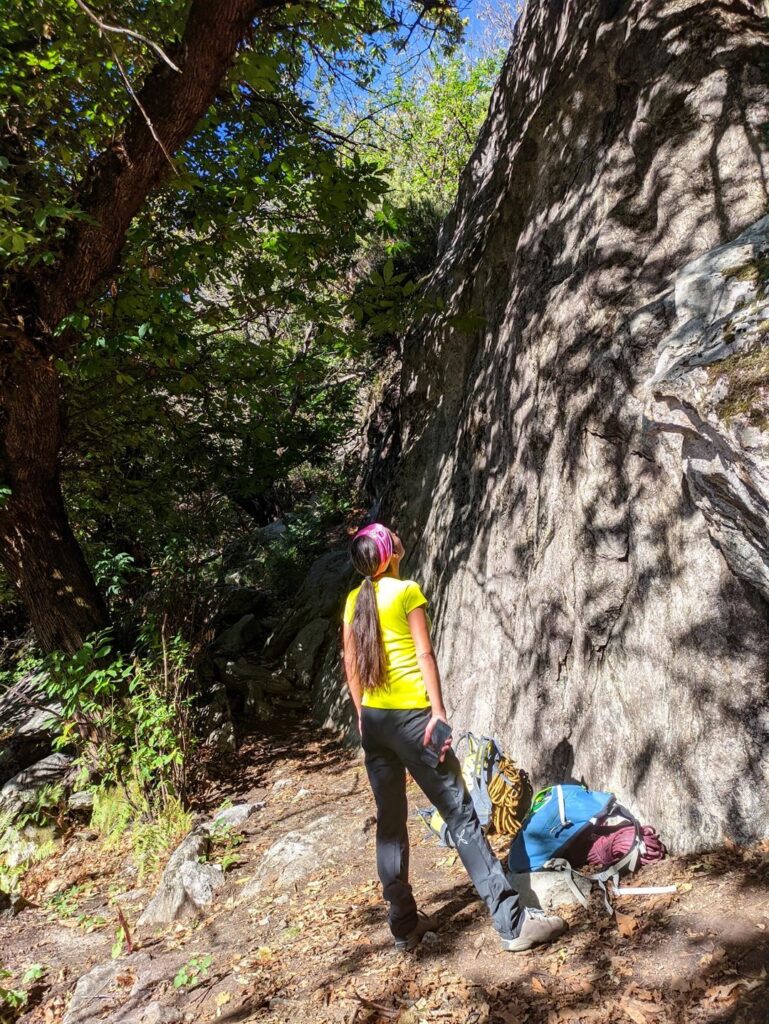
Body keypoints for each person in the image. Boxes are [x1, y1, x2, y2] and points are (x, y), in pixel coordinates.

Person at [341, 522, 567, 952]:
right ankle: (512, 923)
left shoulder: (355, 600)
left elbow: (351, 664)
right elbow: (424, 653)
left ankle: (404, 924)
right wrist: (439, 713)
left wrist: (361, 715)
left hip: (375, 723)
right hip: (413, 720)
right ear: (388, 554)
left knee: (390, 823)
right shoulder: (406, 591)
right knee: (460, 813)